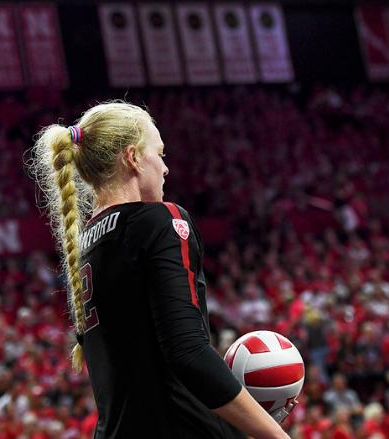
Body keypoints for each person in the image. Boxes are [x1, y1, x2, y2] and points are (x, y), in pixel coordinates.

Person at [30, 101, 292, 439]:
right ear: (133, 158)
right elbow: (188, 352)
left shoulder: (83, 248)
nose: (165, 168)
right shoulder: (159, 220)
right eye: (160, 153)